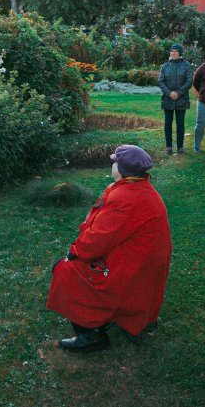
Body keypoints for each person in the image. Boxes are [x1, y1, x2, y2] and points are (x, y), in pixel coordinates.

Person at [48, 145, 172, 352]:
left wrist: (75, 252)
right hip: (140, 261)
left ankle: (92, 335)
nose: (113, 165)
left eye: (115, 162)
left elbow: (98, 239)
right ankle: (99, 320)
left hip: (133, 267)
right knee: (70, 266)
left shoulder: (126, 197)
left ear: (123, 170)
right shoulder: (137, 187)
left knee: (65, 270)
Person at [158, 44, 192, 155]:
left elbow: (189, 81)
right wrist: (169, 93)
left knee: (180, 124)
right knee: (168, 123)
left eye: (176, 51)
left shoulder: (186, 65)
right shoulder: (165, 66)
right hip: (168, 99)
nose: (173, 53)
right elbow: (161, 81)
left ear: (180, 53)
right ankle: (168, 147)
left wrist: (178, 93)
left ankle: (180, 147)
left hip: (181, 99)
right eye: (172, 51)